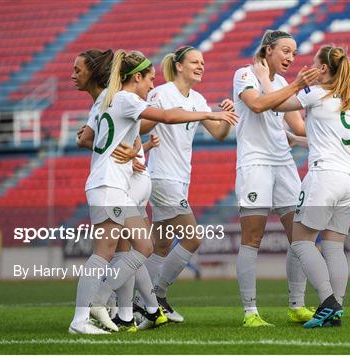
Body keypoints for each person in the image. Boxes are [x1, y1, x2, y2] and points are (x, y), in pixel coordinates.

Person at [69, 49, 238, 334]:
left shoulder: (106, 99)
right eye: (149, 79)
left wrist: (138, 148)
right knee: (104, 253)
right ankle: (87, 315)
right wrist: (210, 112)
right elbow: (166, 117)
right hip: (110, 184)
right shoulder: (125, 98)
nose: (152, 86)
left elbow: (89, 137)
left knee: (144, 247)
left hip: (116, 185)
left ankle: (122, 307)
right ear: (136, 77)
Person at [256, 45, 350, 328]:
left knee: (301, 240)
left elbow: (274, 104)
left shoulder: (316, 93)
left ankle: (327, 301)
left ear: (323, 69)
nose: (309, 67)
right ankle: (336, 307)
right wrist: (296, 139)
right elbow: (327, 141)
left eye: (314, 63)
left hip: (324, 177)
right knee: (334, 247)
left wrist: (266, 78)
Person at [133, 46, 234, 323]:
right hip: (162, 178)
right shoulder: (161, 93)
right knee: (193, 237)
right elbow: (141, 125)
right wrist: (168, 116)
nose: (201, 66)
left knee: (161, 245)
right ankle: (157, 297)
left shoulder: (199, 99)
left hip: (180, 179)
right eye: (194, 62)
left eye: (203, 62)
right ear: (179, 66)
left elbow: (220, 134)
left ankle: (136, 303)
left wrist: (225, 115)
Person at [232, 29, 319, 327]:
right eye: (285, 51)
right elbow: (257, 105)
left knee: (300, 236)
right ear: (268, 50)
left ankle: (297, 305)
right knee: (252, 237)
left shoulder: (281, 83)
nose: (291, 58)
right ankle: (250, 312)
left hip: (283, 163)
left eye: (294, 53)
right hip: (255, 163)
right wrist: (298, 85)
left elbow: (299, 126)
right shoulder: (244, 74)